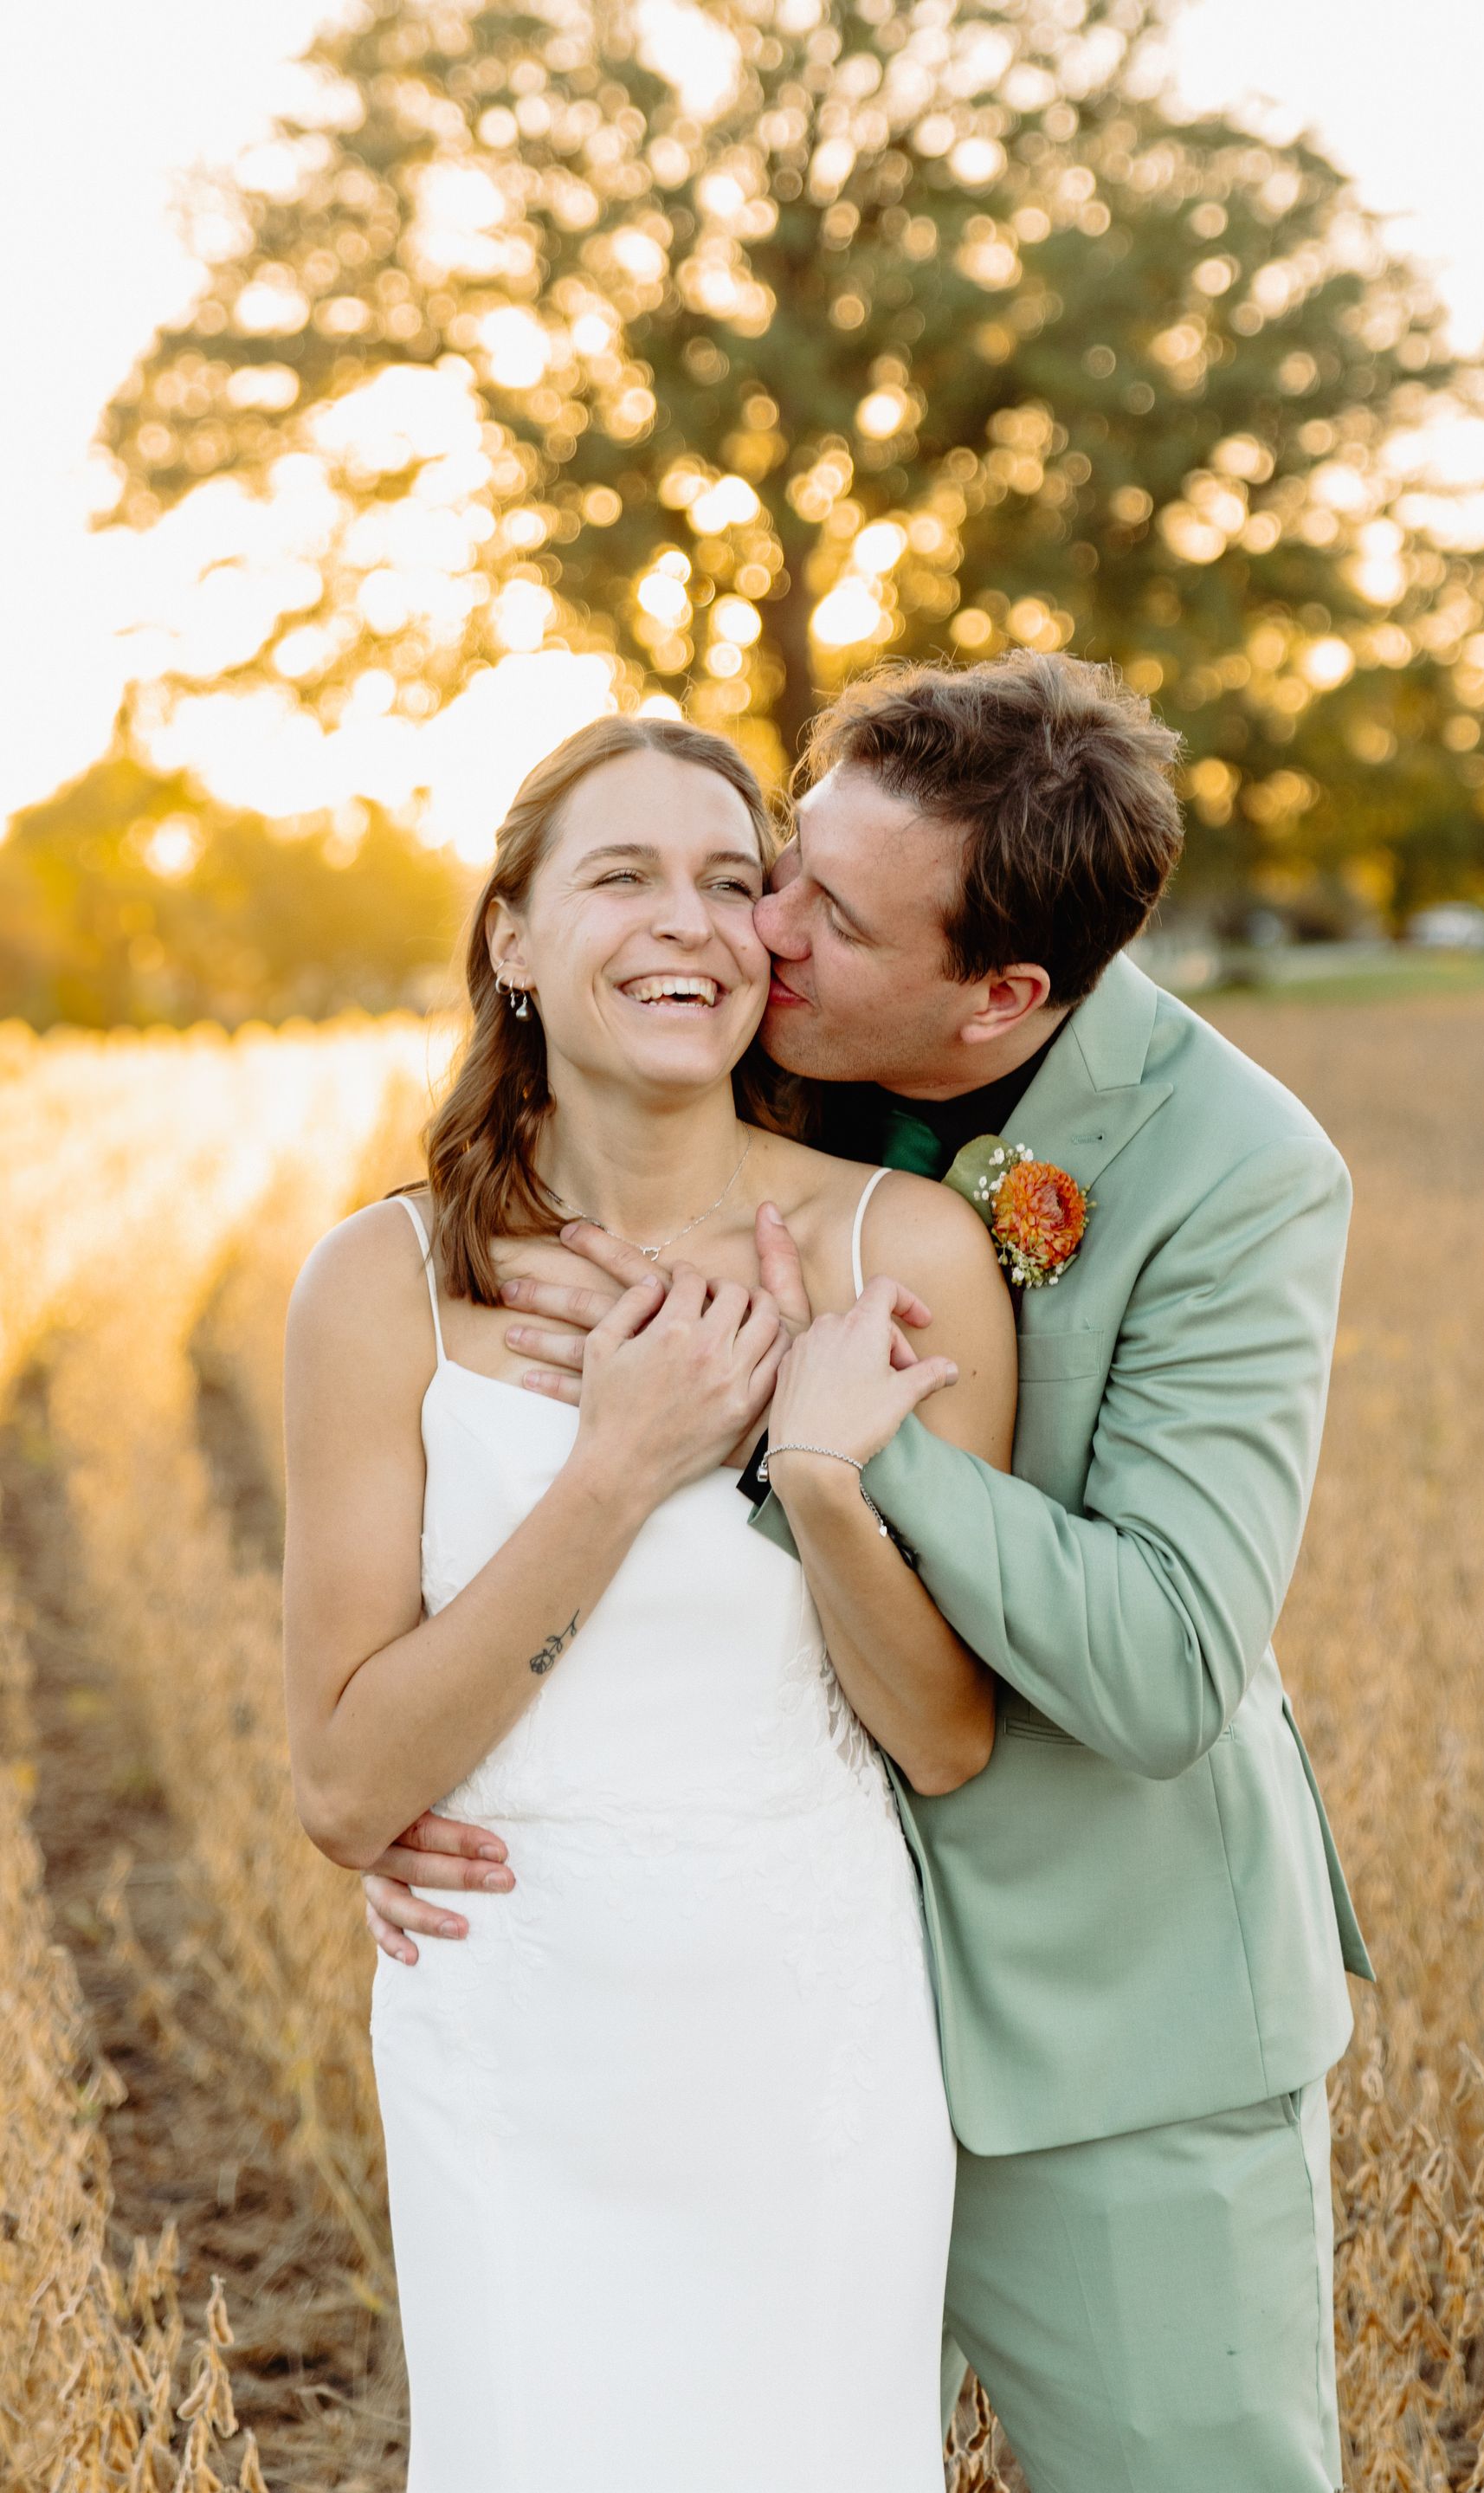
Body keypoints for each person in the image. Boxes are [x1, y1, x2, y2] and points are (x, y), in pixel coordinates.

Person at [365, 653, 1375, 2493]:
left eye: (824, 910)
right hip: (745, 2007)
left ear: (1000, 1000)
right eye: (781, 864)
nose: (764, 933)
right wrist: (491, 1802)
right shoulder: (746, 1039)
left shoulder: (1242, 1174)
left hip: (1101, 2031)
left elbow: (1163, 1663)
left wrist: (824, 1431)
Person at [281, 713, 1020, 2493]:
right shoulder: (380, 1286)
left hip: (809, 2031)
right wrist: (623, 1462)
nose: (687, 922)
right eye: (621, 876)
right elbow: (343, 1788)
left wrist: (814, 1465)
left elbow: (942, 1738)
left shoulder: (901, 1260)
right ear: (514, 942)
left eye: (728, 880)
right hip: (510, 2031)